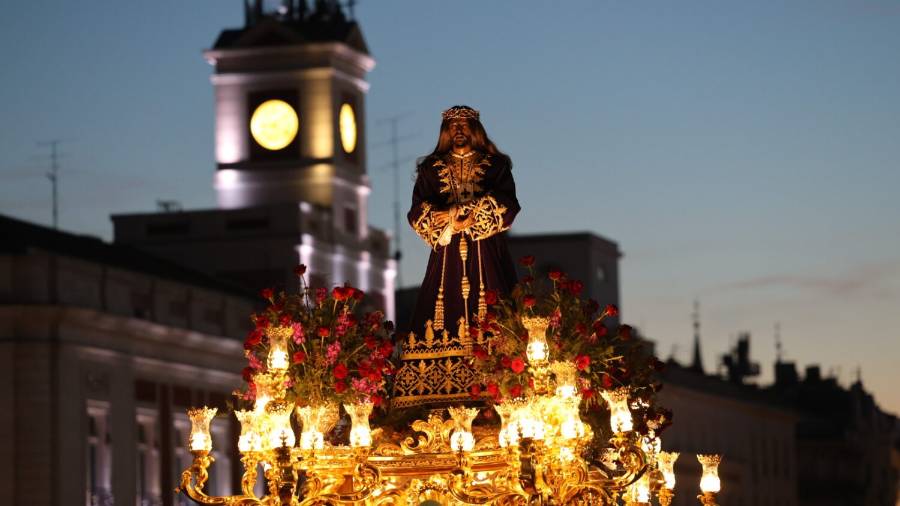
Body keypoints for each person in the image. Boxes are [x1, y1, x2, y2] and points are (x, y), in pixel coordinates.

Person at [392, 105, 520, 409]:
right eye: (453, 126)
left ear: (475, 129)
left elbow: (509, 204)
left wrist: (472, 215)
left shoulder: (495, 165)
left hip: (485, 248)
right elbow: (417, 210)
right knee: (441, 302)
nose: (458, 130)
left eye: (464, 125)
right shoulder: (431, 168)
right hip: (447, 250)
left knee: (493, 303)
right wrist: (448, 218)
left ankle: (499, 378)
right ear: (445, 132)